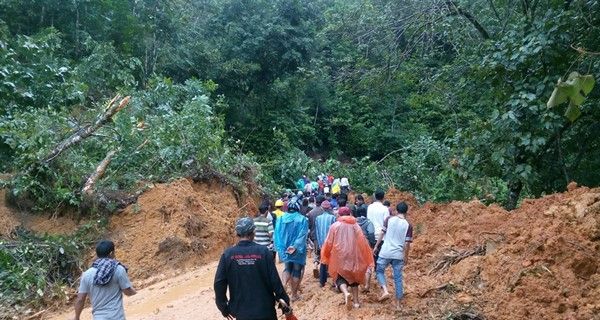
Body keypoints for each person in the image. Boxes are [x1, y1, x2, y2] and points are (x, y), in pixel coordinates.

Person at [215, 217, 290, 320]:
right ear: (253, 232)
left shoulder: (228, 255)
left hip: (241, 313)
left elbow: (219, 283)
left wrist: (223, 307)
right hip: (265, 311)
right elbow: (275, 282)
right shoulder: (263, 252)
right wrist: (284, 301)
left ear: (237, 234)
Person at [320, 207, 374, 310]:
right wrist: (366, 256)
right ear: (350, 214)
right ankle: (356, 302)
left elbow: (329, 242)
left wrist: (325, 256)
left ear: (339, 215)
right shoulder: (355, 225)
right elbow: (362, 241)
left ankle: (346, 293)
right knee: (354, 277)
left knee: (340, 277)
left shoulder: (335, 226)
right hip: (354, 255)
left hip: (339, 256)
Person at [73, 240, 136, 320]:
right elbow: (128, 291)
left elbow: (80, 299)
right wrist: (136, 292)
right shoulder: (118, 269)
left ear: (97, 254)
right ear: (111, 253)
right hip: (117, 317)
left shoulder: (86, 275)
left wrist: (76, 317)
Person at [374, 202, 413, 310]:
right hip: (398, 254)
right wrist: (406, 256)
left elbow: (382, 234)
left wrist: (376, 246)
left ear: (396, 210)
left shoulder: (389, 220)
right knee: (398, 278)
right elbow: (407, 243)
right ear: (406, 212)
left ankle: (385, 291)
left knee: (379, 271)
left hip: (385, 252)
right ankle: (398, 304)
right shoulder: (408, 225)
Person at [274, 200, 309, 301]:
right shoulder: (302, 219)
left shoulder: (280, 219)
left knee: (287, 268)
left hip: (285, 248)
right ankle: (294, 295)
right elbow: (303, 235)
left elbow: (277, 234)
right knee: (297, 271)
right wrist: (295, 246)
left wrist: (281, 248)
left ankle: (284, 285)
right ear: (298, 209)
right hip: (297, 250)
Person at [314, 200, 336, 287]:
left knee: (323, 262)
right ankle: (334, 282)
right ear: (329, 208)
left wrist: (319, 244)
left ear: (322, 208)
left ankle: (322, 282)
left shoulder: (318, 218)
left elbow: (317, 232)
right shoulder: (333, 218)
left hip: (322, 243)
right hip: (331, 243)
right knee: (333, 262)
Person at [355, 206, 376, 291]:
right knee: (368, 263)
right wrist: (372, 244)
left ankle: (359, 282)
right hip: (366, 243)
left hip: (355, 244)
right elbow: (371, 234)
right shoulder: (369, 222)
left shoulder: (354, 223)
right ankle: (367, 285)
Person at [307, 195, 326, 277]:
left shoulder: (311, 212)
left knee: (316, 252)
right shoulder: (325, 212)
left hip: (314, 235)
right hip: (324, 234)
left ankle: (315, 265)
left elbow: (309, 226)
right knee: (325, 252)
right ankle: (325, 270)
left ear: (315, 202)